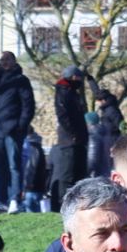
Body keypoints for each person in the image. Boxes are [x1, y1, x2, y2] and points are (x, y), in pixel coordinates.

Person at [0, 52, 36, 213]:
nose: (5, 62)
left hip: (13, 129)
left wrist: (21, 125)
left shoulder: (21, 81)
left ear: (14, 62)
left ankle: (14, 200)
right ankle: (1, 201)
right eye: (2, 60)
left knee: (14, 166)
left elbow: (28, 105)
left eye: (8, 59)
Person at [51, 67, 89, 211]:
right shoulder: (63, 92)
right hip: (70, 140)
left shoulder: (72, 92)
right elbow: (63, 115)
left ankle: (76, 204)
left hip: (77, 139)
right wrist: (72, 133)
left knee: (78, 173)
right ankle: (63, 205)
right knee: (67, 173)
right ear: (73, 77)